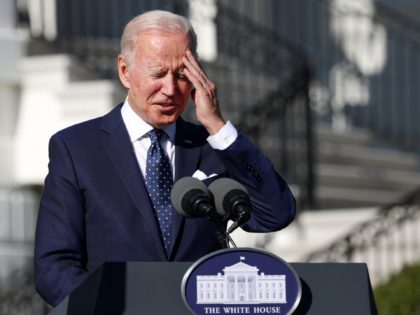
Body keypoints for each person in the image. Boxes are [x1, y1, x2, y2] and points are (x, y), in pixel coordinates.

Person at [34, 10, 296, 306]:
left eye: (182, 76)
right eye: (157, 74)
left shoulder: (214, 147)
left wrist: (218, 128)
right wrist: (117, 307)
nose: (170, 90)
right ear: (124, 71)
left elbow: (276, 213)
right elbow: (53, 267)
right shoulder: (76, 149)